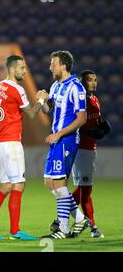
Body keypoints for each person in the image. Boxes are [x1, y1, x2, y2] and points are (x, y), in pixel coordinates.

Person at [0, 55, 46, 240]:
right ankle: (15, 231)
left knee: (6, 185)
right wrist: (40, 100)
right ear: (12, 69)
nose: (25, 70)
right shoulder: (17, 89)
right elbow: (32, 114)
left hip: (0, 144)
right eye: (22, 67)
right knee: (18, 185)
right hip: (12, 144)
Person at [41, 51, 90, 239]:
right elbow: (48, 110)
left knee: (60, 183)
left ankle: (63, 229)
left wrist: (59, 134)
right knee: (49, 183)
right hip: (56, 140)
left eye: (53, 64)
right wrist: (44, 100)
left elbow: (82, 118)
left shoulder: (76, 88)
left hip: (66, 140)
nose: (50, 67)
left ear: (63, 66)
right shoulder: (55, 85)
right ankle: (79, 218)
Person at [70, 70, 110, 238]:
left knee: (82, 190)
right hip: (81, 150)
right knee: (86, 191)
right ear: (83, 82)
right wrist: (88, 131)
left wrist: (100, 128)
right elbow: (76, 123)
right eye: (90, 80)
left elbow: (95, 122)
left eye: (95, 80)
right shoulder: (81, 101)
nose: (94, 83)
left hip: (90, 149)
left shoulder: (94, 99)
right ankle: (92, 226)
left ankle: (60, 218)